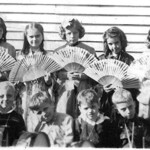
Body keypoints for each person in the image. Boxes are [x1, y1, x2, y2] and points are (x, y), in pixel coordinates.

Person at [54, 18, 98, 118]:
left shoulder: (89, 50)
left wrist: (84, 75)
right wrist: (66, 75)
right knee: (65, 113)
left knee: (84, 112)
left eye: (75, 33)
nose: (72, 36)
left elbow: (96, 71)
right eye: (69, 33)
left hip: (83, 87)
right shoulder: (59, 51)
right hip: (66, 89)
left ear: (80, 33)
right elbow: (54, 73)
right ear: (64, 33)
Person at [15, 22, 56, 128]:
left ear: (42, 36)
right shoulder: (20, 56)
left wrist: (49, 81)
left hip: (41, 94)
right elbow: (15, 78)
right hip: (25, 94)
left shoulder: (48, 56)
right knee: (25, 120)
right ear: (26, 37)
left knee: (41, 122)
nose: (34, 39)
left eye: (37, 36)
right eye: (31, 36)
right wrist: (18, 81)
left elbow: (53, 81)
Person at [98, 26, 138, 118]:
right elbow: (94, 82)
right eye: (110, 44)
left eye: (117, 43)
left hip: (123, 101)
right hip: (107, 99)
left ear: (122, 42)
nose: (114, 46)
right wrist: (102, 88)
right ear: (106, 44)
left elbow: (134, 82)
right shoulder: (101, 60)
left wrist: (123, 86)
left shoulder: (129, 60)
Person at [0, 81, 26, 146]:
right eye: (1, 96)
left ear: (14, 97)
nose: (5, 99)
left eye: (9, 96)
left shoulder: (18, 118)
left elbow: (22, 139)